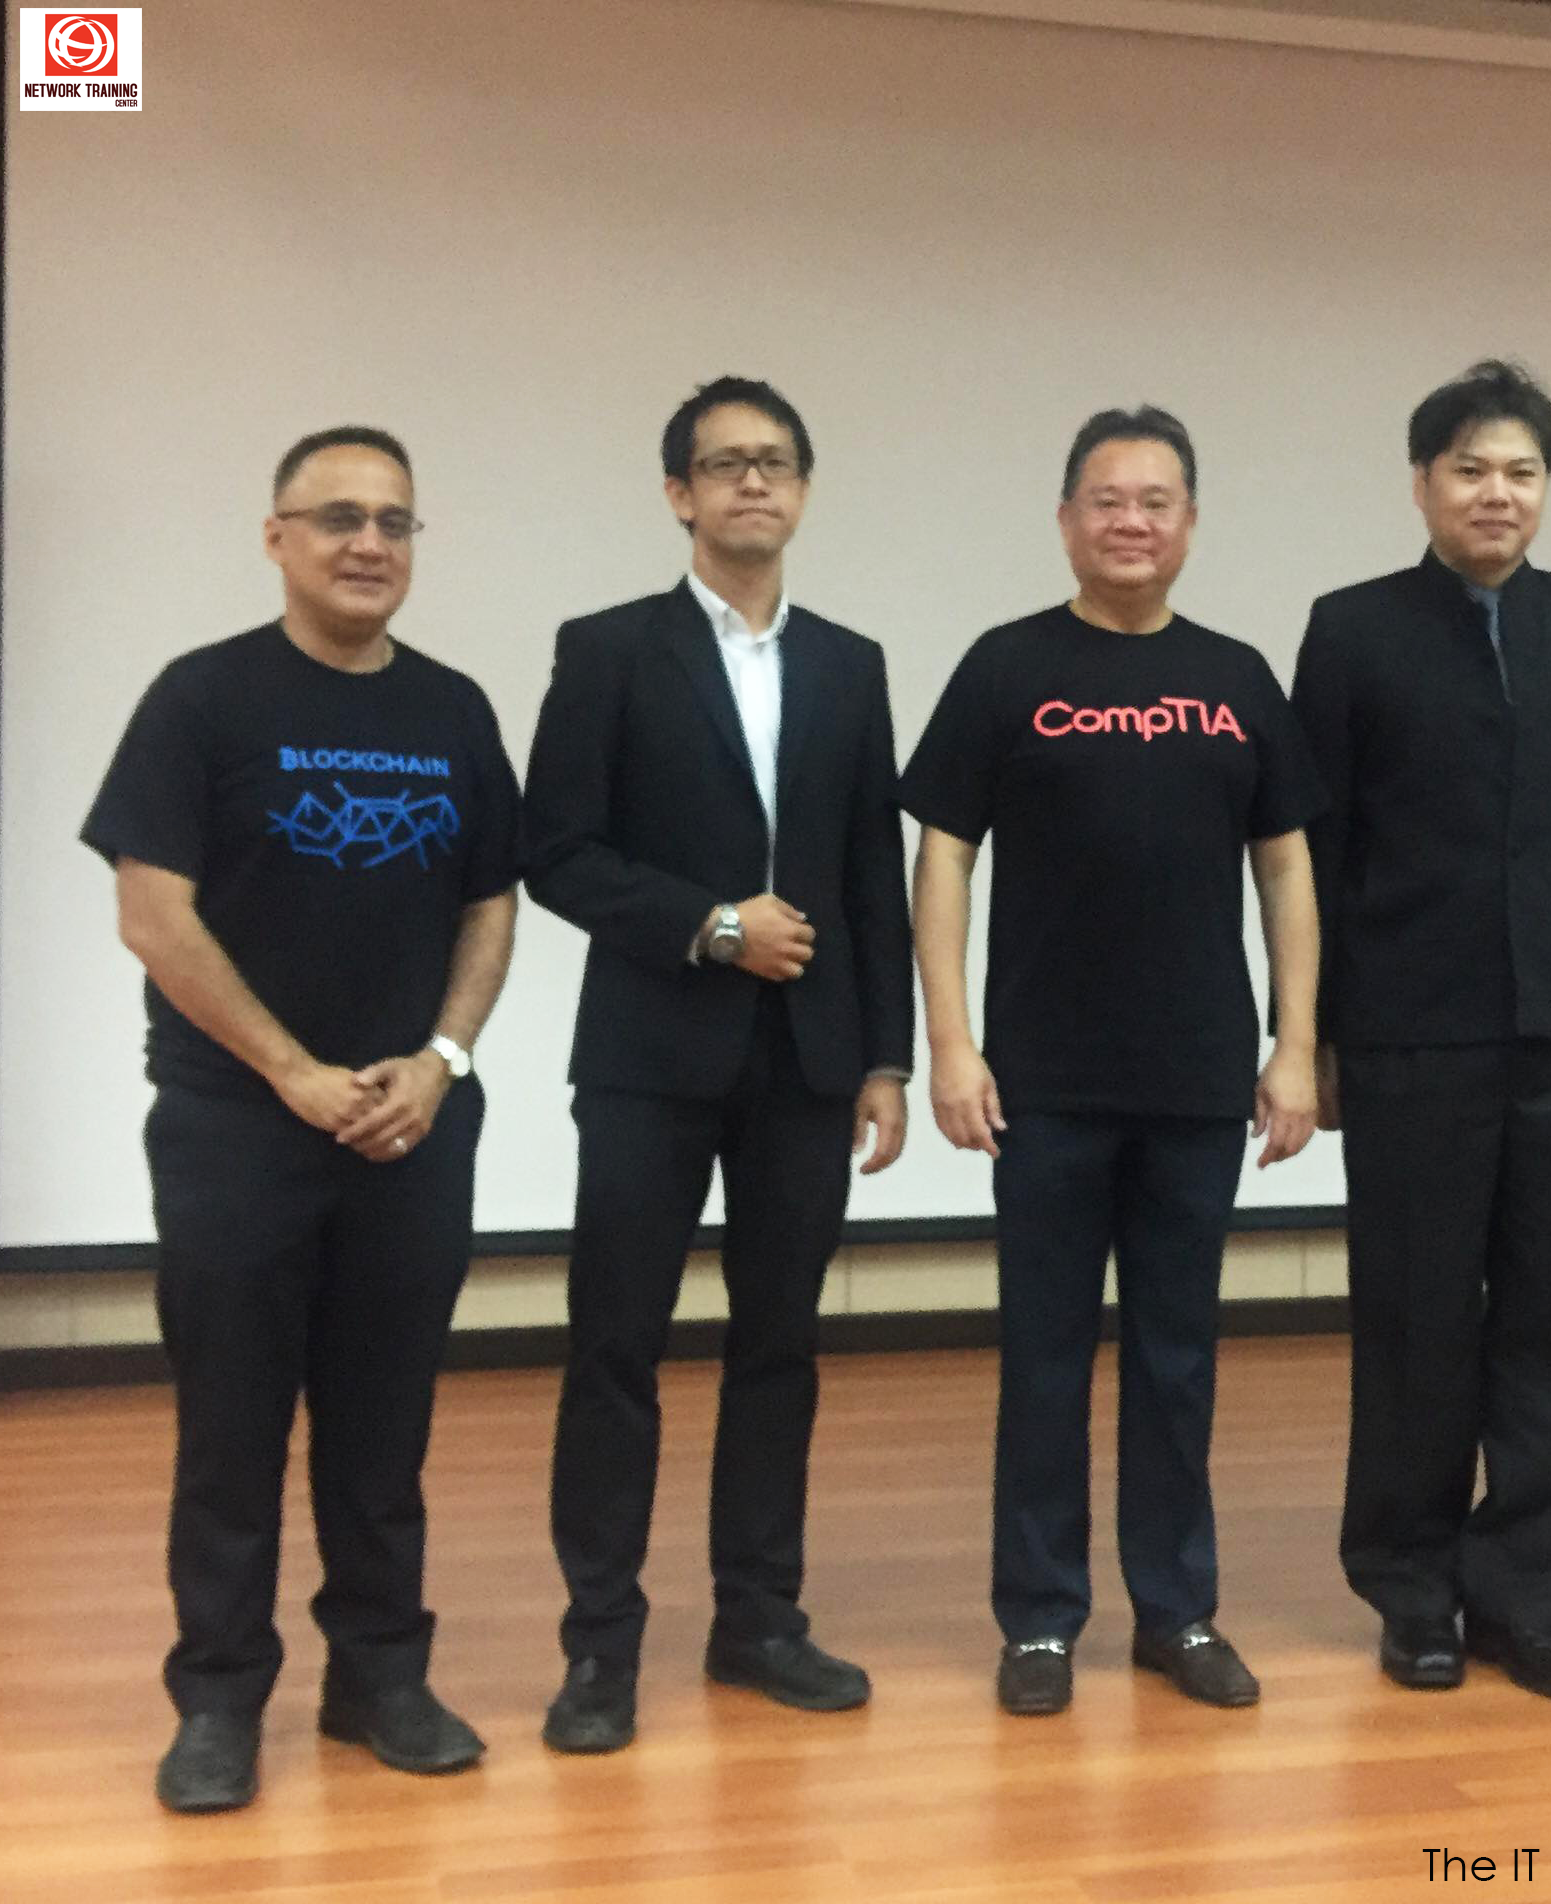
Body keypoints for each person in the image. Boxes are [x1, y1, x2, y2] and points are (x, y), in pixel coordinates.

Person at [83, 427, 521, 1812]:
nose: (368, 543)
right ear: (276, 537)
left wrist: (441, 1059)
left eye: (394, 521)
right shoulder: (202, 698)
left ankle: (379, 1679)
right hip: (237, 1126)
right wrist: (290, 1070)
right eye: (338, 517)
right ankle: (218, 1700)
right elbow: (153, 913)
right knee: (232, 1431)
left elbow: (490, 902)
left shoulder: (452, 709)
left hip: (410, 1128)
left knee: (383, 1432)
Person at [906, 407, 1323, 1717]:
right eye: (1106, 499)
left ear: (1189, 521)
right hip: (1042, 1084)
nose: (1130, 521)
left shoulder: (1236, 677)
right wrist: (950, 1042)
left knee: (1176, 1359)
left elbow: (1287, 869)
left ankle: (1177, 1610)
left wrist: (1295, 1043)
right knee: (1042, 1358)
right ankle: (1039, 1621)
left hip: (1198, 1081)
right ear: (1066, 519)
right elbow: (943, 857)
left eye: (1155, 500)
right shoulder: (1006, 666)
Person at [524, 377, 914, 1753]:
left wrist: (886, 1058)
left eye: (776, 462)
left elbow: (869, 873)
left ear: (802, 490)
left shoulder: (852, 663)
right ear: (678, 494)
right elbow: (555, 851)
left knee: (780, 1346)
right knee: (614, 1347)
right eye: (725, 463)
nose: (754, 481)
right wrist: (709, 924)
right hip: (649, 1054)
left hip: (808, 1063)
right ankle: (600, 1644)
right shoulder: (609, 650)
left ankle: (758, 1619)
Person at [1292, 358, 1551, 1702]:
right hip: (1410, 1031)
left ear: (1545, 486)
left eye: (1520, 470)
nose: (1496, 493)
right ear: (1422, 484)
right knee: (1415, 1315)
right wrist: (1313, 1031)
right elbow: (1314, 851)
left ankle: (1525, 1595)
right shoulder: (1352, 630)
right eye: (1469, 469)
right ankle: (1411, 1591)